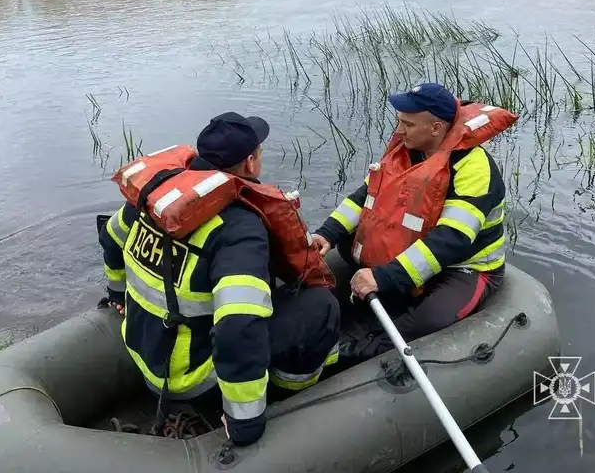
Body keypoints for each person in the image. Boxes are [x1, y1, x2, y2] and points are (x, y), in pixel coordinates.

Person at [98, 111, 340, 447]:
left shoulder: (158, 199)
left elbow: (111, 238)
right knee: (321, 306)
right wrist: (245, 421)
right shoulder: (239, 229)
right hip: (194, 379)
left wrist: (116, 295)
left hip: (144, 352)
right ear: (250, 163)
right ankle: (287, 393)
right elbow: (238, 327)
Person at [311, 83, 517, 366]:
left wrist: (385, 277)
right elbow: (365, 197)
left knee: (432, 318)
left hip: (464, 267)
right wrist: (327, 234)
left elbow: (451, 239)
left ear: (435, 128)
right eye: (399, 121)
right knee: (350, 243)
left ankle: (361, 352)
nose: (400, 130)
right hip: (412, 248)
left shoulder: (473, 167)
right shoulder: (406, 153)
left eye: (408, 124)